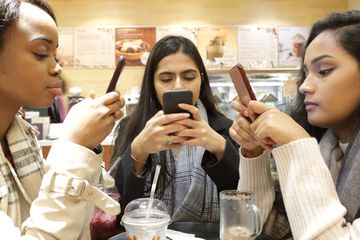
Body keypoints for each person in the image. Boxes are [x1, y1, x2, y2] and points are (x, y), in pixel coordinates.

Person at [230, 10, 360, 239]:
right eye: (305, 73)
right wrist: (254, 152)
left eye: (323, 71)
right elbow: (258, 225)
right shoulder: (328, 148)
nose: (304, 86)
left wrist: (298, 144)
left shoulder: (312, 148)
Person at [0, 0, 125, 238]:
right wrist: (73, 147)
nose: (57, 67)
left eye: (55, 55)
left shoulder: (20, 135)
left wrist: (86, 143)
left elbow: (69, 223)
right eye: (41, 53)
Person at [112, 35, 239, 223]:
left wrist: (220, 148)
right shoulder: (130, 127)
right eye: (165, 78)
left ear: (201, 80)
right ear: (152, 84)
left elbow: (242, 200)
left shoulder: (226, 130)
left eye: (189, 77)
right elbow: (115, 203)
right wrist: (139, 150)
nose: (178, 85)